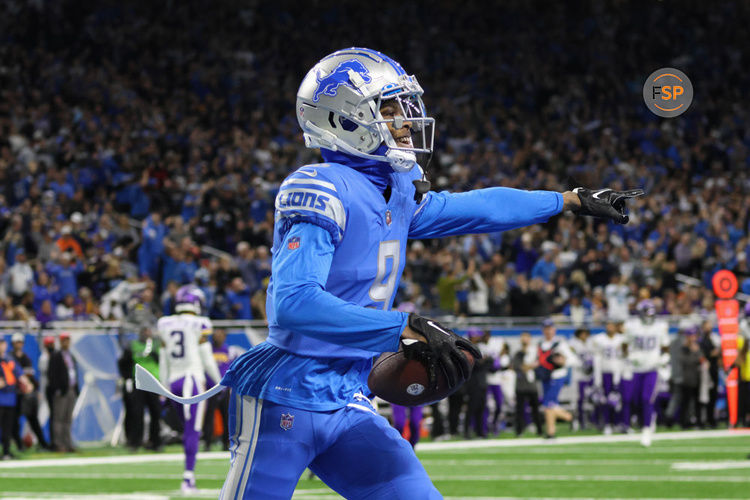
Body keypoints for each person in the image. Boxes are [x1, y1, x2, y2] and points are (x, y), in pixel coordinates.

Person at [214, 47, 640, 497]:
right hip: (286, 392)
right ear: (343, 120)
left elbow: (479, 206)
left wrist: (568, 200)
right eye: (390, 108)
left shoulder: (392, 192)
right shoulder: (321, 186)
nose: (405, 119)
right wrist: (403, 327)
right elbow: (293, 303)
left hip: (348, 392)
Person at [157, 285, 221, 493]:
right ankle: (188, 479)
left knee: (186, 430)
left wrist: (163, 386)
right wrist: (221, 382)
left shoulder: (165, 323)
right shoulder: (200, 323)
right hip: (191, 381)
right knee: (193, 430)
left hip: (173, 382)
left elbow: (164, 358)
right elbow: (207, 358)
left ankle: (188, 478)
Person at [622, 299, 670, 446]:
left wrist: (663, 359)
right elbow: (625, 345)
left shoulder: (660, 327)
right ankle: (649, 418)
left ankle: (647, 429)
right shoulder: (632, 326)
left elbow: (666, 347)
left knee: (646, 398)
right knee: (635, 400)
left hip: (651, 368)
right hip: (636, 368)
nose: (649, 317)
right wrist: (628, 358)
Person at [118, 327, 162, 451]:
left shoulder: (156, 346)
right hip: (139, 383)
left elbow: (163, 362)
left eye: (148, 332)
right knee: (137, 413)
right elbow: (123, 362)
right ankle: (135, 442)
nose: (146, 334)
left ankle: (155, 442)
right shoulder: (133, 346)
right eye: (144, 332)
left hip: (154, 383)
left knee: (156, 412)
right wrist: (127, 377)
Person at [537, 318, 577, 438]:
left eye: (550, 328)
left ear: (554, 330)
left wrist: (562, 361)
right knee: (550, 405)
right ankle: (569, 417)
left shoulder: (560, 344)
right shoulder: (541, 344)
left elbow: (572, 359)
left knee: (549, 405)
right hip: (545, 377)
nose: (548, 331)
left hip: (557, 376)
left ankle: (551, 432)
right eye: (546, 329)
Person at [11, 332, 50, 450]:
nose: (19, 344)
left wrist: (35, 389)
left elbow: (31, 377)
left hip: (27, 393)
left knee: (33, 419)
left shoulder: (26, 358)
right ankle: (18, 445)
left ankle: (43, 443)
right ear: (13, 344)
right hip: (15, 393)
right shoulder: (10, 357)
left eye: (20, 342)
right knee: (14, 421)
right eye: (17, 342)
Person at [202, 329, 238, 451]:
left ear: (224, 337)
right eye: (216, 335)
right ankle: (207, 442)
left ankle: (226, 443)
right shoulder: (207, 350)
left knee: (227, 416)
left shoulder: (230, 351)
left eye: (220, 335)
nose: (217, 337)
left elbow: (235, 369)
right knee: (208, 416)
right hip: (209, 388)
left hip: (225, 389)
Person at [591, 319, 624, 435]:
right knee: (605, 401)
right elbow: (597, 359)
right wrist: (597, 378)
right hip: (605, 373)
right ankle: (607, 424)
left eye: (612, 325)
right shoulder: (599, 339)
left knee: (619, 401)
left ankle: (618, 423)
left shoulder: (622, 339)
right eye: (608, 325)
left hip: (619, 373)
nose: (610, 327)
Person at [48, 332, 79, 452]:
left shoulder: (71, 356)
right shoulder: (56, 356)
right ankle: (58, 444)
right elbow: (52, 375)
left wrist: (76, 389)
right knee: (58, 418)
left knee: (68, 418)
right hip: (61, 391)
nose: (66, 342)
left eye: (68, 340)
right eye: (64, 340)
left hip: (71, 389)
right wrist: (57, 389)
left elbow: (74, 373)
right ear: (60, 342)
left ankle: (68, 443)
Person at [513, 331, 542, 437]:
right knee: (519, 409)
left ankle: (539, 430)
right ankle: (519, 431)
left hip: (531, 384)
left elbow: (538, 364)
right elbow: (518, 367)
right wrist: (530, 366)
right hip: (520, 385)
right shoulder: (518, 353)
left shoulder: (535, 351)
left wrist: (527, 366)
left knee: (535, 408)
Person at [0, 337, 24, 459]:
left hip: (9, 398)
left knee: (8, 427)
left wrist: (27, 384)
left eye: (2, 343)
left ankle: (6, 452)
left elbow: (19, 374)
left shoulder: (9, 359)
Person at [568, 327, 593, 430]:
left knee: (587, 399)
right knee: (577, 399)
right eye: (582, 334)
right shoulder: (573, 343)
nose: (584, 336)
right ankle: (575, 421)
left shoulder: (590, 343)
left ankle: (586, 421)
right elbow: (572, 358)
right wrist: (582, 365)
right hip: (577, 375)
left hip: (588, 376)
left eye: (586, 334)